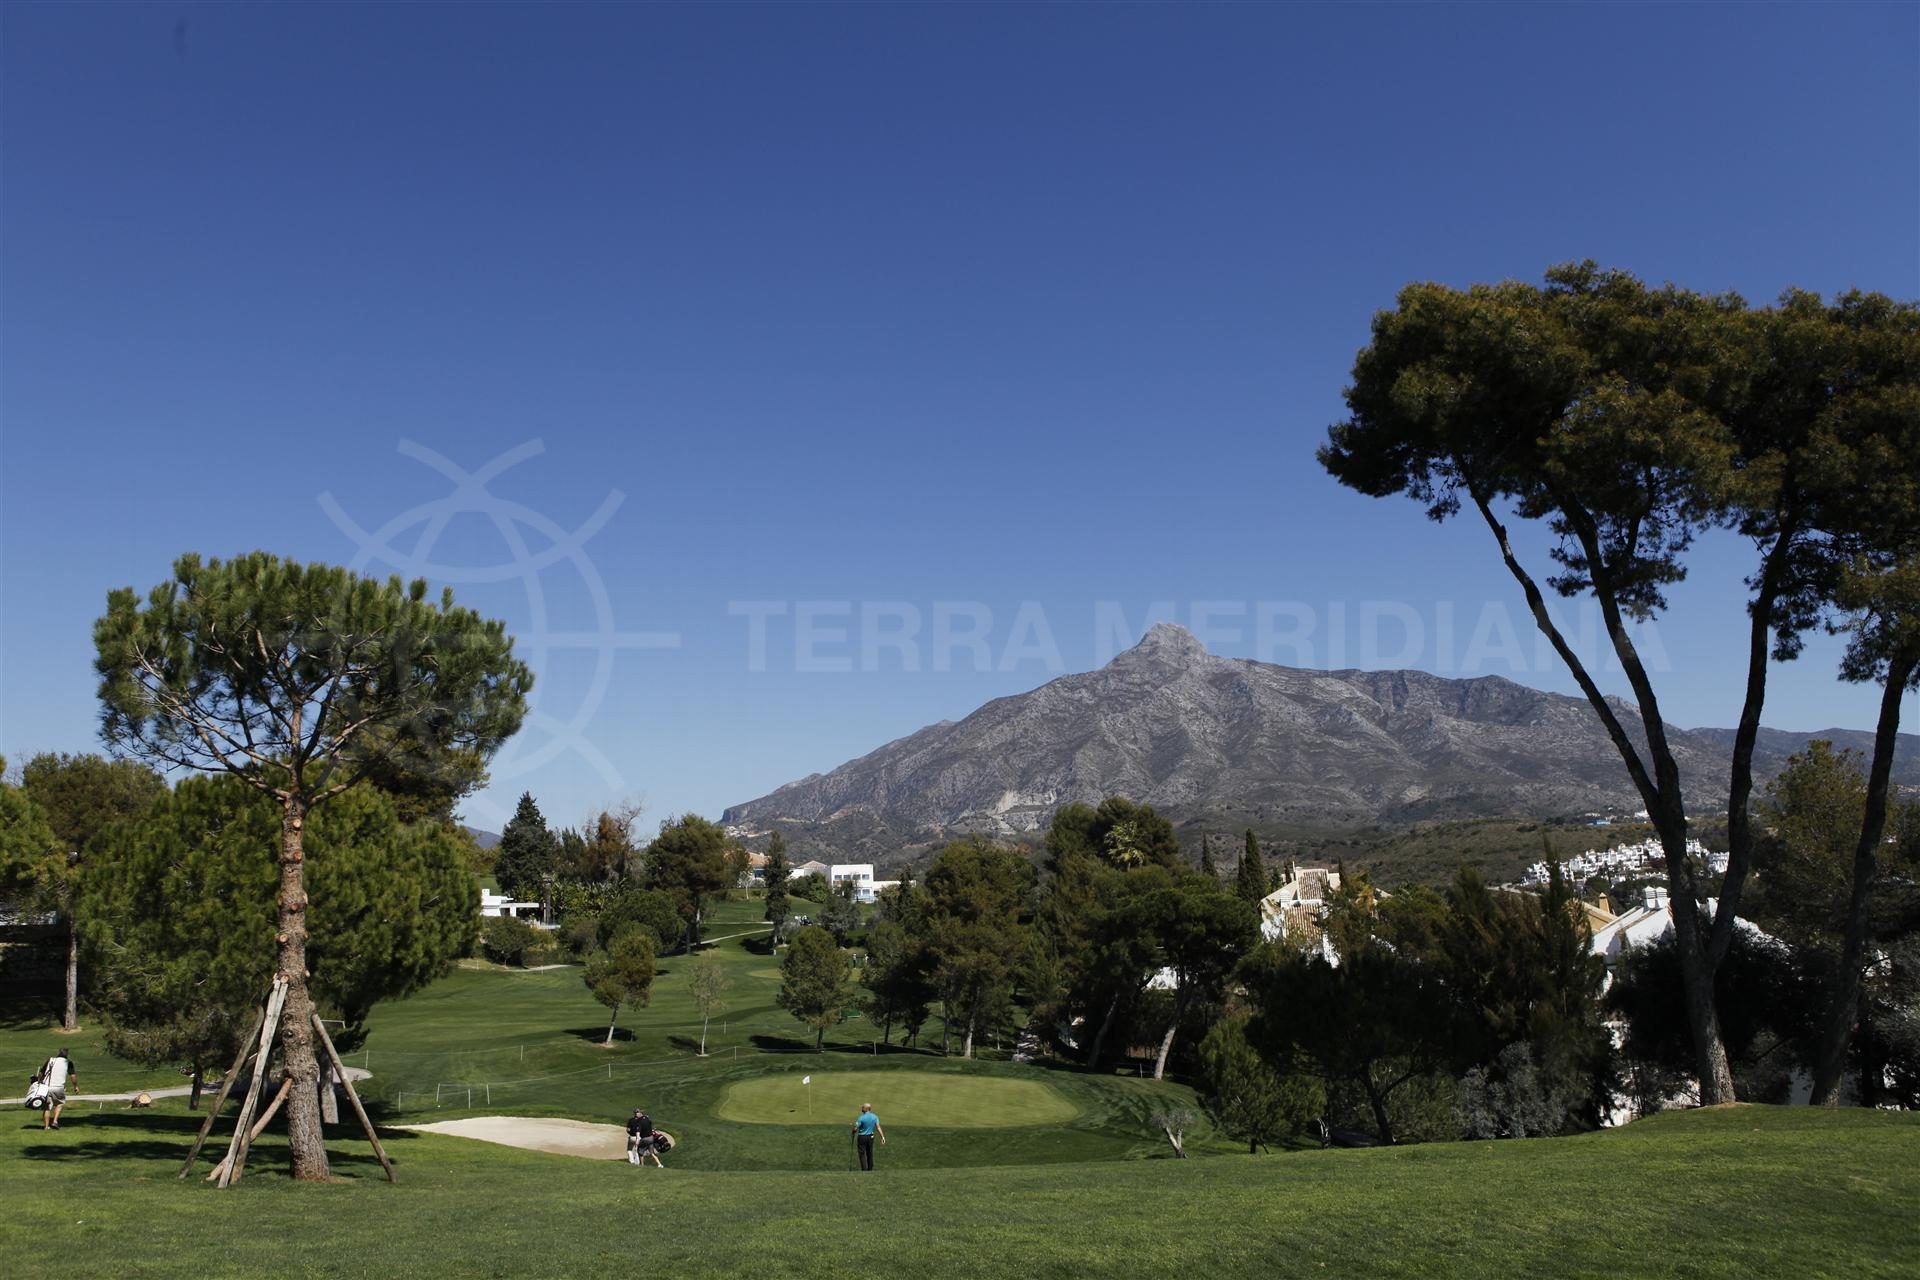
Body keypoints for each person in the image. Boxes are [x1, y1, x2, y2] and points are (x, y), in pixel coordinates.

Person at [38, 1048, 75, 1130]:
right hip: (59, 1087)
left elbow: (41, 1072)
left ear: (58, 1053)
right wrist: (75, 1086)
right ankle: (55, 1121)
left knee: (47, 1107)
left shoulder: (50, 1060)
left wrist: (39, 1081)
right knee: (59, 1103)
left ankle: (46, 1127)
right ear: (67, 1055)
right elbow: (73, 1076)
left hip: (46, 1087)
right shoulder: (68, 1062)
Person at [851, 1102, 884, 1171]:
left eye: (863, 1107)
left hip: (862, 1137)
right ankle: (870, 1169)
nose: (861, 1108)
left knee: (862, 1153)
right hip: (870, 1137)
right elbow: (878, 1127)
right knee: (870, 1153)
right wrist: (882, 1137)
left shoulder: (861, 1118)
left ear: (866, 1109)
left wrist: (853, 1131)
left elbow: (855, 1128)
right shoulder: (875, 1116)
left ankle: (864, 1169)